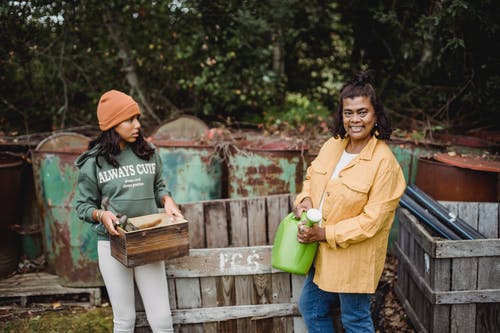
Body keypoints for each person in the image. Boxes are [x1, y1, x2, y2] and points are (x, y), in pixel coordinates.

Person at [294, 70, 406, 333]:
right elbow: (312, 176)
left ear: (375, 115)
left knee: (354, 319)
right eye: (348, 112)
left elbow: (372, 222)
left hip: (354, 258)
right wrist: (304, 200)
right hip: (322, 252)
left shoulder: (384, 164)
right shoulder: (333, 144)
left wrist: (323, 233)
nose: (355, 119)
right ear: (341, 115)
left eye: (362, 112)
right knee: (311, 308)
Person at [75, 90, 183, 333]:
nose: (138, 125)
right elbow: (83, 206)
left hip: (147, 241)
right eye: (130, 119)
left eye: (138, 118)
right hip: (113, 244)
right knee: (125, 320)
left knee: (163, 319)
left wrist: (167, 200)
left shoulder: (148, 152)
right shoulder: (94, 162)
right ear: (113, 125)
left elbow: (159, 186)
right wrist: (101, 215)